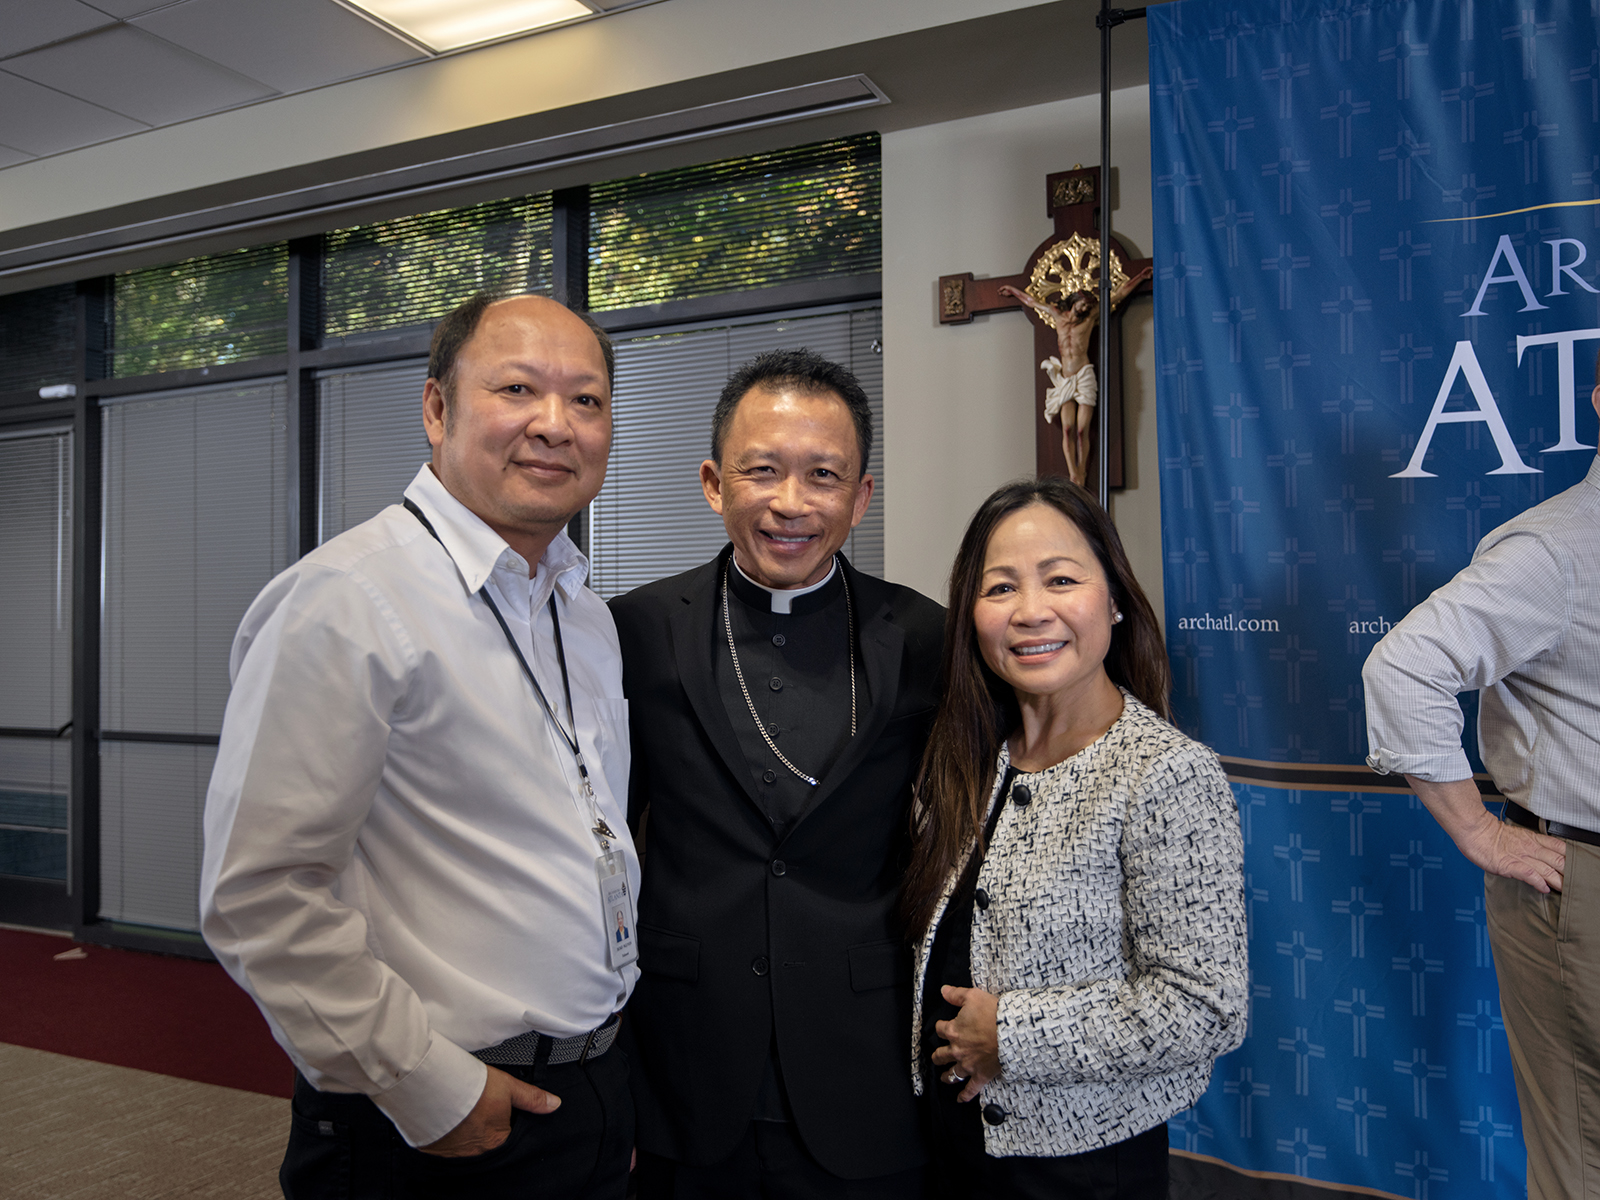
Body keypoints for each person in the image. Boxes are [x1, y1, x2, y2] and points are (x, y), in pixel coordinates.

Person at [201, 293, 639, 1200]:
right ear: (437, 408)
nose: (554, 425)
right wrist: (427, 1088)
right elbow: (260, 894)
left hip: (589, 1090)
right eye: (518, 388)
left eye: (586, 401)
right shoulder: (347, 600)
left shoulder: (583, 611)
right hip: (434, 1114)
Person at [609, 349, 944, 1198]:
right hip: (684, 1056)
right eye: (763, 471)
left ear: (861, 495)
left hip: (861, 1056)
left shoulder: (924, 637)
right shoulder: (634, 629)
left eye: (823, 475)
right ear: (714, 482)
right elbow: (597, 839)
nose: (791, 503)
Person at [903, 477, 1247, 1200]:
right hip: (947, 1152)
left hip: (1082, 1169)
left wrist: (1012, 1034)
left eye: (1061, 580)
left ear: (1114, 599)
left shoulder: (1164, 773)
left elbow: (1207, 1006)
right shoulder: (966, 757)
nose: (1031, 612)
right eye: (1000, 589)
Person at [1362, 375, 1600, 1200]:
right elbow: (1402, 669)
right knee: (1586, 1157)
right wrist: (1481, 832)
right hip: (1584, 890)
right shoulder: (1555, 549)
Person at [998, 269, 1151, 488]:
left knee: (1081, 430)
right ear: (1075, 302)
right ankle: (1073, 473)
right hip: (1065, 379)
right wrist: (1013, 290)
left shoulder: (1090, 317)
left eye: (1089, 307)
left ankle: (1082, 471)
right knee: (1068, 428)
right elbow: (1032, 302)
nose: (1086, 309)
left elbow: (1118, 295)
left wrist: (1139, 278)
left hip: (1084, 375)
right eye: (1083, 306)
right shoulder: (1057, 315)